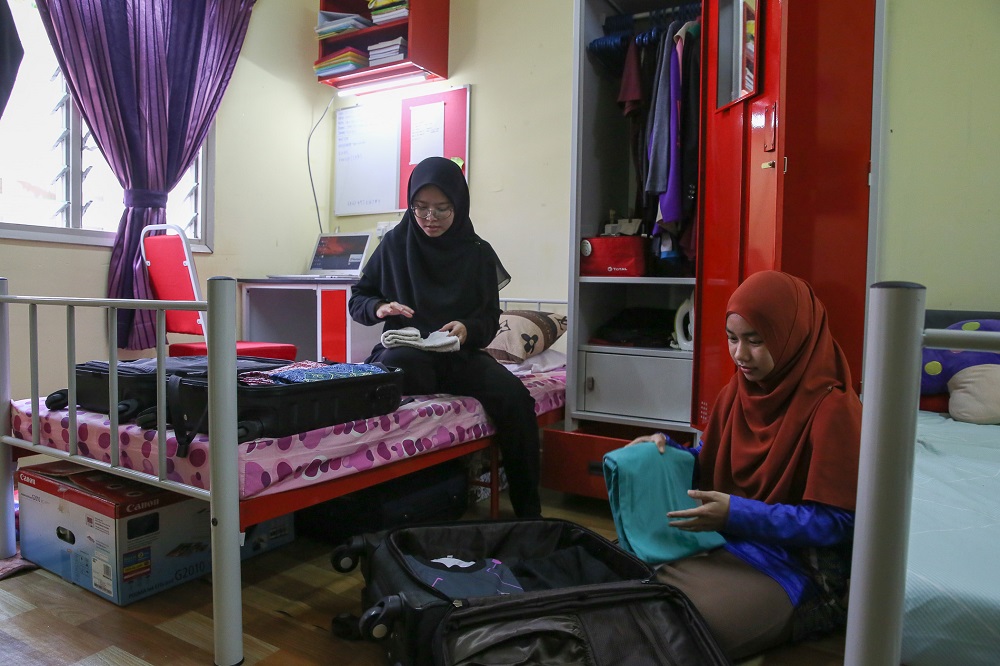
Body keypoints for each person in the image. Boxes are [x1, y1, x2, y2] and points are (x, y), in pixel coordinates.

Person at [626, 270, 862, 661]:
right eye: (733, 339)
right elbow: (715, 462)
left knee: (679, 636)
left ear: (794, 335)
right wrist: (666, 453)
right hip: (721, 541)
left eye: (756, 341)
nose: (740, 355)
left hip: (793, 567)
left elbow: (837, 521)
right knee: (622, 596)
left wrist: (737, 514)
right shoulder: (738, 392)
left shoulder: (832, 409)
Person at [348, 156, 542, 518]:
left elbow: (488, 319)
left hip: (459, 356)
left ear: (459, 205)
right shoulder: (393, 244)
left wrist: (467, 329)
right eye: (420, 208)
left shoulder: (477, 252)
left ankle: (529, 513)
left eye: (442, 209)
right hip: (407, 354)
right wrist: (380, 308)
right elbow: (359, 298)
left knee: (516, 399)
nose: (429, 218)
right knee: (390, 375)